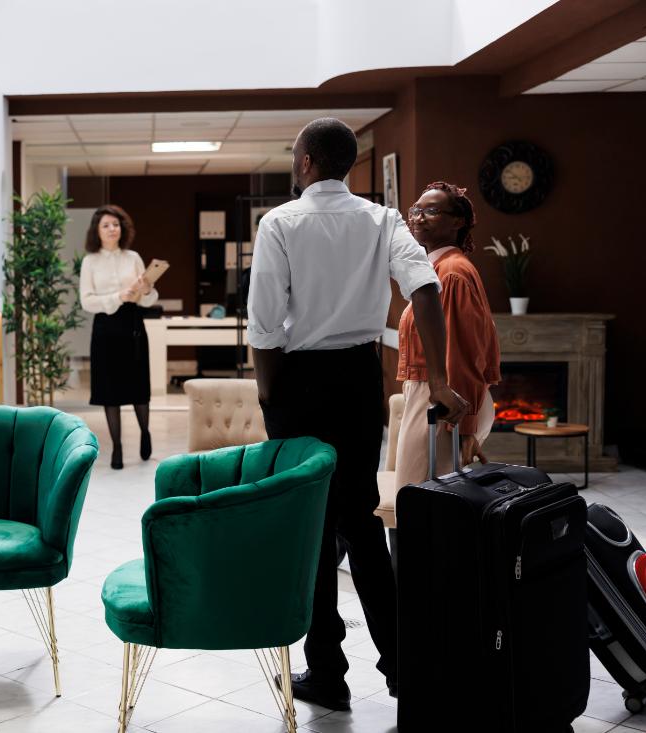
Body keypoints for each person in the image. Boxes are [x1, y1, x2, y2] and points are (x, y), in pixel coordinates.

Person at [247, 118, 467, 711]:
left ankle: (328, 674)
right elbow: (425, 287)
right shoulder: (382, 218)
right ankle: (404, 670)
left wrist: (270, 398)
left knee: (311, 531)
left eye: (295, 155)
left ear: (307, 162)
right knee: (362, 523)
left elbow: (264, 324)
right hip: (358, 379)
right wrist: (439, 379)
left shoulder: (279, 222)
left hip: (296, 382)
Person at [395, 181, 500, 485]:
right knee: (422, 498)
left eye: (431, 211)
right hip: (433, 397)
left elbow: (465, 354)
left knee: (417, 497)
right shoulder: (436, 268)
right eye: (416, 210)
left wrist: (466, 428)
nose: (419, 217)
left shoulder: (452, 273)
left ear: (458, 222)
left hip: (445, 403)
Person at [79, 205, 157, 470]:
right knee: (109, 388)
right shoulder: (90, 261)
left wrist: (147, 289)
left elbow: (148, 299)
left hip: (133, 324)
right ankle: (117, 446)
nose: (112, 229)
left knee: (138, 384)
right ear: (97, 231)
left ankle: (145, 433)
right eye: (106, 225)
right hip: (105, 328)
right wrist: (117, 297)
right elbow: (86, 301)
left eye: (116, 224)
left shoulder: (133, 257)